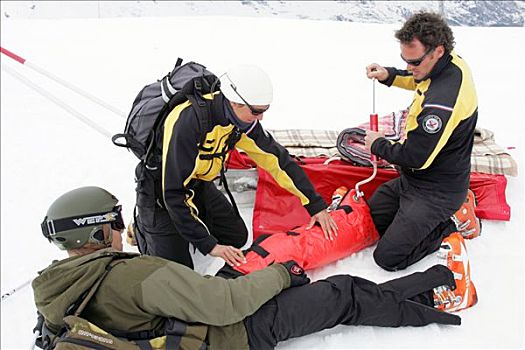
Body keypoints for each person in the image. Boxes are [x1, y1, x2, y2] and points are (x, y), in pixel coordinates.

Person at [35, 187, 472, 349]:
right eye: (114, 221)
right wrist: (283, 275)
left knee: (262, 255)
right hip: (232, 333)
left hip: (182, 319)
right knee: (344, 294)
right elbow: (226, 307)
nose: (121, 228)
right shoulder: (132, 275)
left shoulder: (59, 291)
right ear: (96, 232)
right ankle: (439, 292)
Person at [135, 64, 337, 269]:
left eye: (264, 111)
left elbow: (277, 160)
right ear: (234, 101)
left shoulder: (240, 123)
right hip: (159, 192)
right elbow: (174, 192)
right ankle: (142, 227)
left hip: (198, 183)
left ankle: (187, 225)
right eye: (256, 111)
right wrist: (210, 245)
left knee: (237, 237)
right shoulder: (188, 121)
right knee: (177, 273)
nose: (261, 118)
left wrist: (315, 205)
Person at [364, 11, 481, 286]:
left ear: (437, 51)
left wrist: (378, 144)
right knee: (373, 219)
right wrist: (389, 75)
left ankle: (454, 222)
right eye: (405, 60)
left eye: (414, 61)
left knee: (388, 257)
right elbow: (419, 78)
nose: (410, 67)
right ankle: (425, 218)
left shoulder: (442, 102)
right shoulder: (447, 64)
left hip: (436, 191)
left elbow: (416, 158)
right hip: (413, 181)